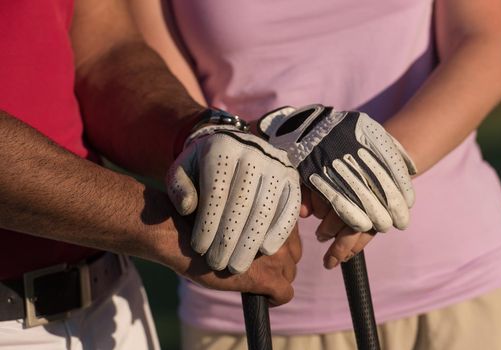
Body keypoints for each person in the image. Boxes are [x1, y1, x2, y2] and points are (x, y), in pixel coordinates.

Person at [134, 0, 501, 349]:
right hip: (251, 297)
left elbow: (481, 44)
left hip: (462, 286)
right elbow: (161, 91)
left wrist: (374, 168)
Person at [0, 0, 303, 348]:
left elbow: (103, 52)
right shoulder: (159, 231)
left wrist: (199, 136)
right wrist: (163, 229)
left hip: (112, 303)